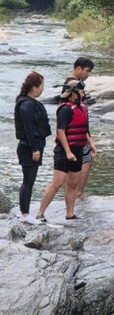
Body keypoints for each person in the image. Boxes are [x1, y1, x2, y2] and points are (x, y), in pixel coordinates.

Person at [36, 80, 97, 222]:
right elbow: (61, 131)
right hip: (63, 151)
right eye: (80, 91)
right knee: (57, 183)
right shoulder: (65, 109)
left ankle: (70, 213)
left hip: (78, 149)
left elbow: (84, 129)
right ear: (72, 93)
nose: (82, 94)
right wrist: (68, 152)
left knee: (73, 184)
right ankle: (40, 213)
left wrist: (91, 144)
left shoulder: (82, 107)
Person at [14, 71, 51, 224]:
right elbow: (29, 128)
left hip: (30, 146)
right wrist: (35, 149)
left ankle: (24, 212)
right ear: (35, 87)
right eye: (42, 86)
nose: (43, 89)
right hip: (29, 147)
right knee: (28, 180)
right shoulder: (27, 104)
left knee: (28, 180)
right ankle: (25, 214)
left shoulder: (26, 101)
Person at [64, 56, 96, 198]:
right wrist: (88, 139)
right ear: (78, 68)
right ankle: (78, 193)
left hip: (77, 132)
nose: (88, 75)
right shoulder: (73, 84)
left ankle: (75, 192)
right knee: (86, 161)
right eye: (87, 71)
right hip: (77, 133)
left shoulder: (70, 83)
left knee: (79, 162)